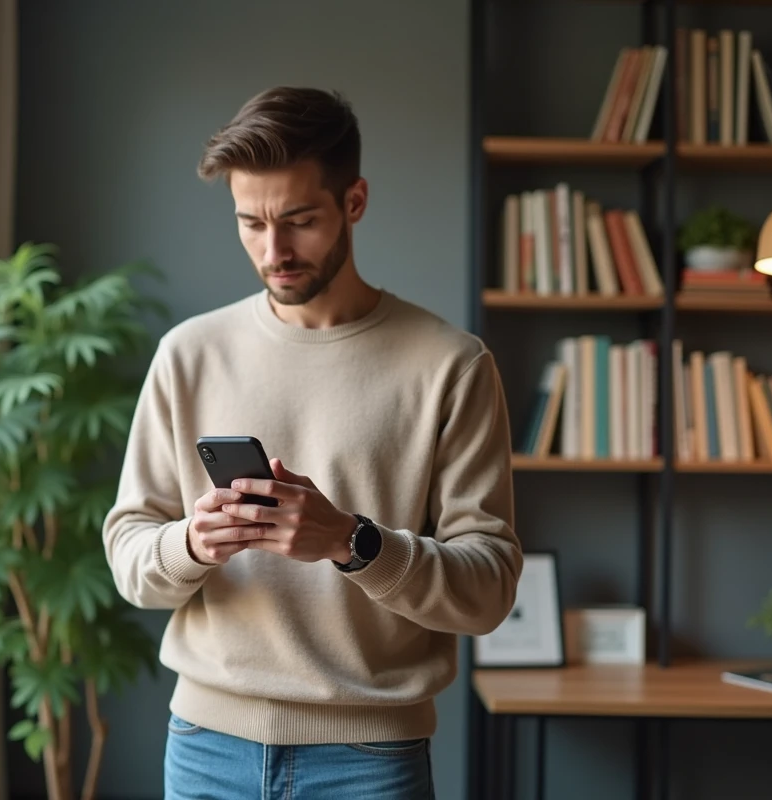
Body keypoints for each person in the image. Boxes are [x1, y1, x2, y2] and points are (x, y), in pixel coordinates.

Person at [102, 86, 522, 799]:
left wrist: (351, 542)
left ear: (354, 202)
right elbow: (129, 557)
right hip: (205, 749)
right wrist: (194, 544)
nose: (274, 250)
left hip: (368, 760)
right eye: (251, 223)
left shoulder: (451, 365)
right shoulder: (188, 355)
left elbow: (487, 590)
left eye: (299, 220)